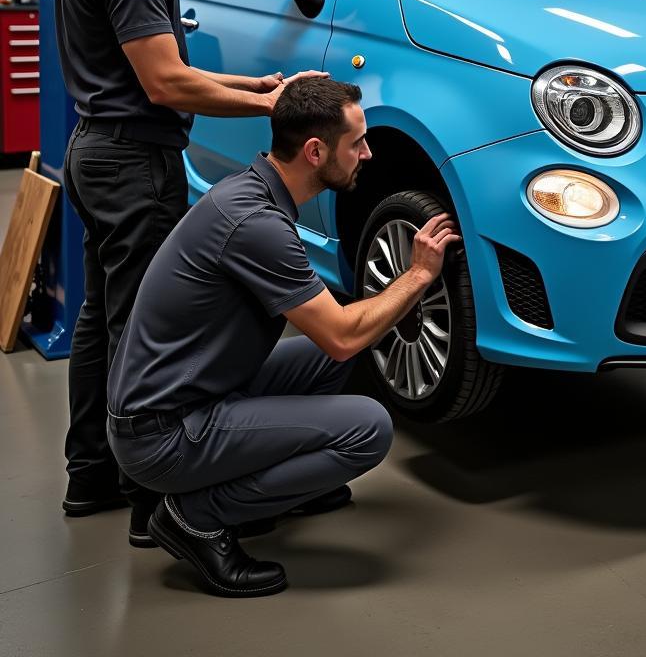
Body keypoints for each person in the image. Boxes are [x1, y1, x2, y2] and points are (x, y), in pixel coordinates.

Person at [56, 0, 323, 543]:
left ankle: (90, 473)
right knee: (144, 331)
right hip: (134, 161)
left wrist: (260, 88)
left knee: (101, 321)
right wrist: (267, 110)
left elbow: (162, 73)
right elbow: (167, 84)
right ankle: (152, 503)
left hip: (96, 150)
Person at [106, 78, 459, 597]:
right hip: (163, 434)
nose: (368, 152)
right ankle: (195, 517)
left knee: (334, 359)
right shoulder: (255, 224)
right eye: (356, 142)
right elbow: (341, 334)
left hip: (190, 393)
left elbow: (335, 342)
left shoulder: (253, 191)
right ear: (315, 152)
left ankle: (280, 485)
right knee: (368, 427)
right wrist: (418, 275)